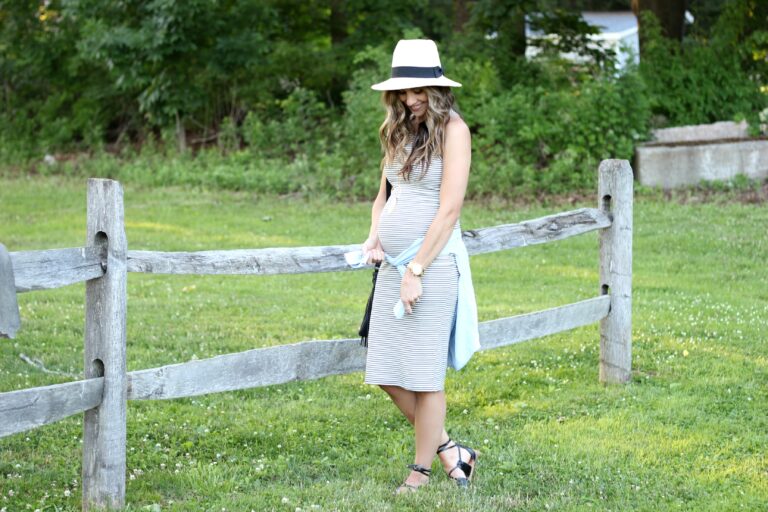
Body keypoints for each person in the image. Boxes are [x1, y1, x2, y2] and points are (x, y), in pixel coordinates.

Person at [360, 39, 480, 495]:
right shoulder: (400, 130)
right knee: (385, 370)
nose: (411, 99)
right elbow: (384, 195)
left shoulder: (454, 131)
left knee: (424, 376)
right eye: (404, 92)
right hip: (393, 267)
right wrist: (374, 235)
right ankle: (451, 449)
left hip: (431, 266)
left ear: (437, 88)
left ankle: (420, 473)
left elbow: (449, 211)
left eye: (418, 91)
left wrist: (416, 270)